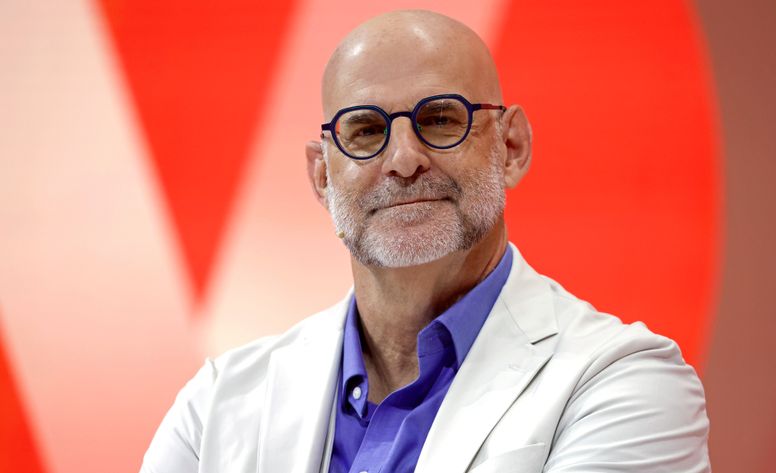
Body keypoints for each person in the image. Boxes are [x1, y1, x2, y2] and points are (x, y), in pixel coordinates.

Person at [140, 10, 710, 473]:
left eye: (441, 119)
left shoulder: (625, 385)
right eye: (365, 130)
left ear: (510, 146)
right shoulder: (217, 405)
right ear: (321, 175)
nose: (404, 160)